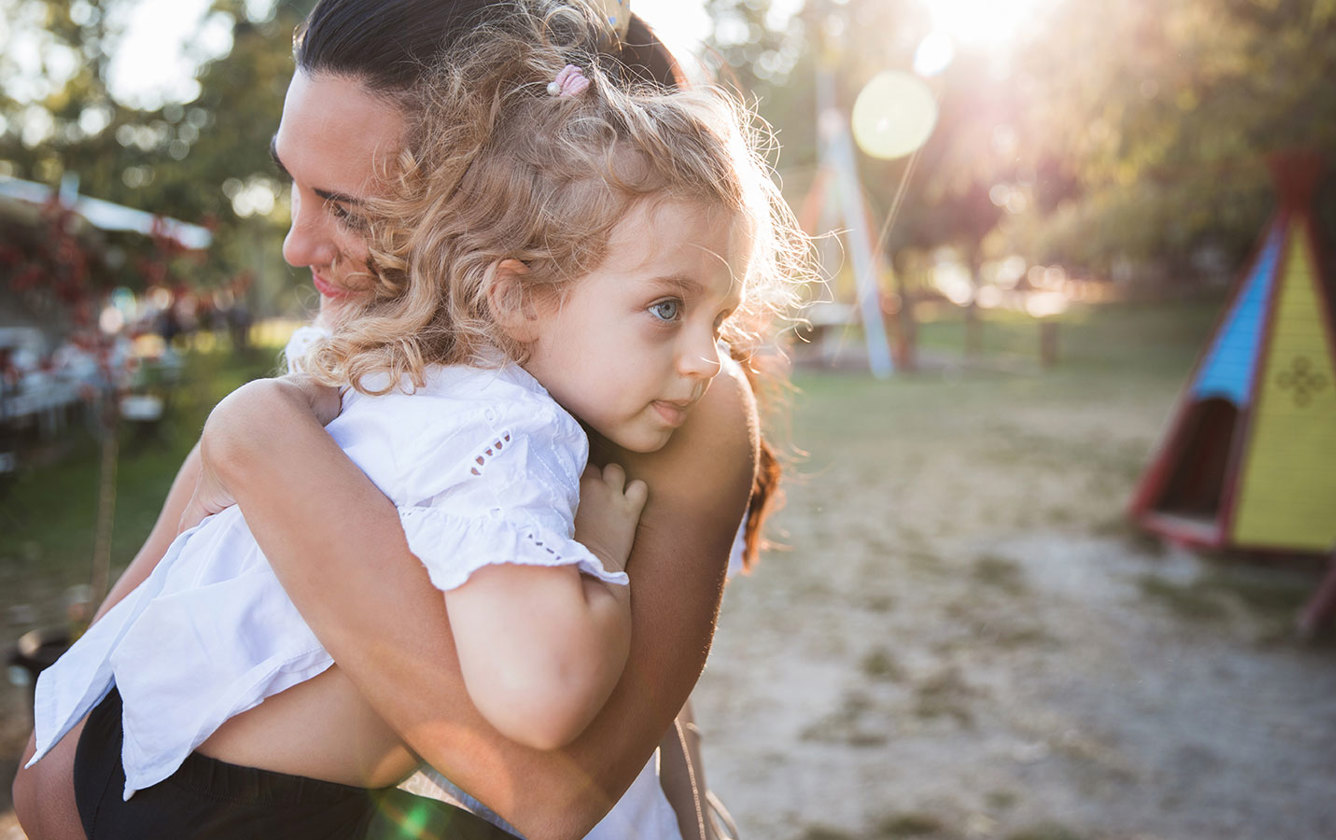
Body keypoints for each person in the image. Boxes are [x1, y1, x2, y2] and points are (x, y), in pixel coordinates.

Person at [12, 1, 799, 838]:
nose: (295, 242)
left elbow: (548, 792)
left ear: (499, 196)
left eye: (346, 207)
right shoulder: (367, 376)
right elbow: (50, 771)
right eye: (293, 183)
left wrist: (254, 443)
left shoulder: (679, 407)